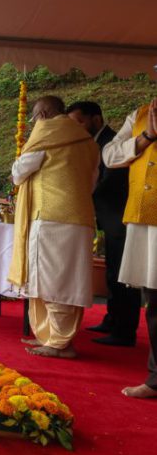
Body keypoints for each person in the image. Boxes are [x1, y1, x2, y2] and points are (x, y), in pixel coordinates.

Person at [10, 96, 99, 359]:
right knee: (69, 280)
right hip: (80, 217)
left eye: (35, 117)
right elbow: (91, 181)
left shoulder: (47, 133)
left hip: (50, 216)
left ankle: (58, 343)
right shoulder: (87, 140)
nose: (34, 124)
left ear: (44, 113)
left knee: (51, 281)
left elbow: (18, 173)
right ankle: (54, 336)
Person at [68, 101, 135, 346]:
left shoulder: (112, 141)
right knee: (111, 271)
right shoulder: (92, 143)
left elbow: (107, 183)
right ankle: (112, 319)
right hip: (107, 219)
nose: (76, 128)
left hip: (119, 218)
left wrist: (81, 196)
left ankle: (124, 330)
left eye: (80, 122)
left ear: (96, 119)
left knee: (121, 275)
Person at [104, 98, 157, 398]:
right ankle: (155, 380)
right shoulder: (138, 114)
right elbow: (110, 154)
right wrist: (146, 137)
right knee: (154, 299)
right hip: (145, 216)